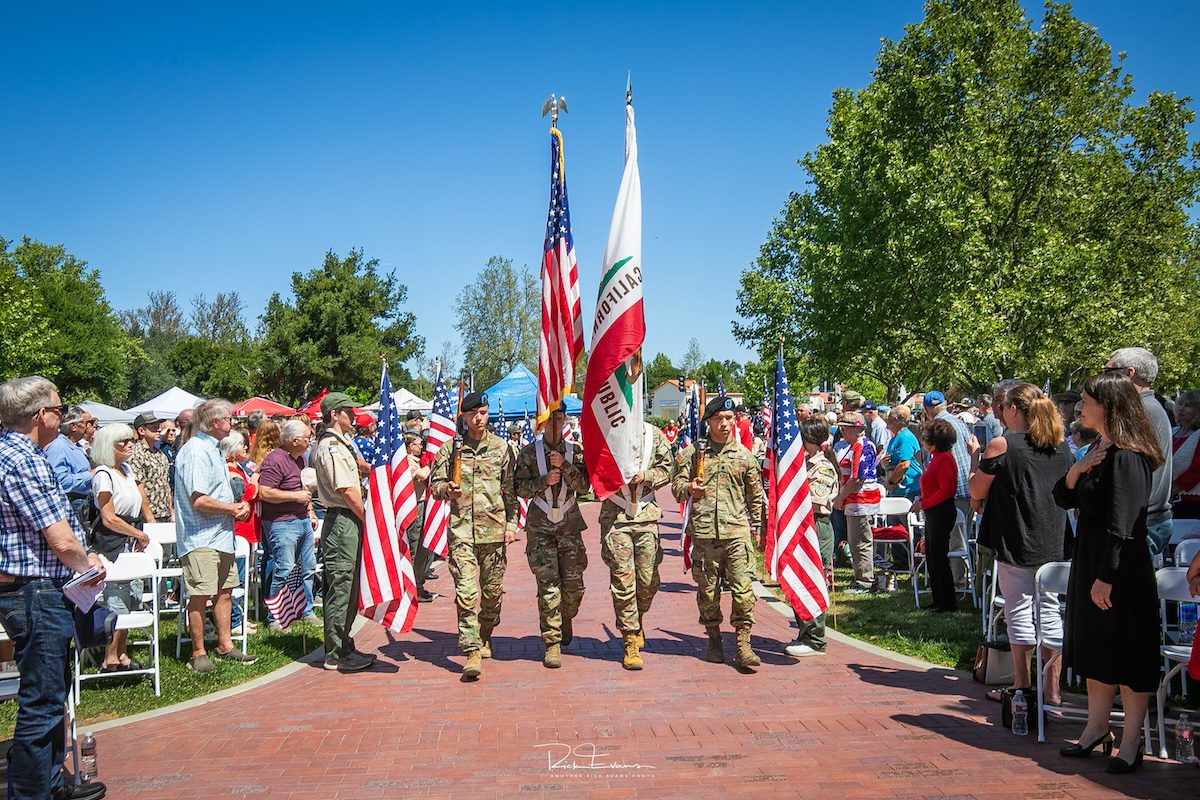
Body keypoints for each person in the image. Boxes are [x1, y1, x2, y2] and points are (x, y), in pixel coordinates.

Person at [0, 376, 108, 800]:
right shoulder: (21, 459)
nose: (63, 417)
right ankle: (32, 792)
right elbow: (60, 539)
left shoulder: (23, 453)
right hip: (36, 590)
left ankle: (49, 781)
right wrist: (89, 565)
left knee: (49, 692)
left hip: (34, 588)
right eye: (59, 410)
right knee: (42, 700)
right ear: (40, 415)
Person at [1052, 372, 1164, 773]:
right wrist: (1078, 469)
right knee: (1095, 645)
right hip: (1091, 558)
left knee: (1127, 650)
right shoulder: (1098, 447)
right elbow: (1062, 496)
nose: (1079, 408)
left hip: (1119, 567)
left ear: (1110, 406)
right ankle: (1096, 727)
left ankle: (1131, 741)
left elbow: (1125, 522)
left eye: (1086, 401)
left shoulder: (1130, 455)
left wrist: (1108, 575)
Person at [969, 382, 1072, 706]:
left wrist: (976, 457)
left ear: (1013, 410)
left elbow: (976, 490)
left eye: (1004, 407)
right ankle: (1052, 689)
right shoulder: (1060, 446)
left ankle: (1022, 684)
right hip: (1053, 536)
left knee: (1019, 609)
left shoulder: (1003, 444)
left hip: (1017, 535)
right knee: (1050, 609)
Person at [671, 396, 765, 668]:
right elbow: (675, 487)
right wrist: (689, 488)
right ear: (708, 422)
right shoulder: (694, 454)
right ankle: (713, 638)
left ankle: (743, 643)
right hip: (704, 534)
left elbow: (755, 496)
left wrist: (757, 528)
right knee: (708, 593)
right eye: (718, 419)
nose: (724, 424)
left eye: (728, 418)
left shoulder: (745, 457)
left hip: (736, 533)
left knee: (744, 591)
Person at [429, 391, 518, 679]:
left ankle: (485, 630)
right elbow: (435, 484)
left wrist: (512, 524)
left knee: (492, 595)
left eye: (483, 412)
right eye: (472, 414)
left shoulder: (502, 449)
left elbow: (511, 491)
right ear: (464, 417)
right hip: (462, 532)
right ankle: (471, 650)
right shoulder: (450, 449)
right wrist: (447, 490)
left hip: (493, 532)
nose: (479, 418)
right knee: (466, 594)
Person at [173, 398, 257, 673]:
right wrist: (232, 508)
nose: (233, 423)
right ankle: (198, 652)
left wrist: (238, 506)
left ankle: (225, 643)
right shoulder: (195, 451)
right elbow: (198, 499)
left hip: (221, 535)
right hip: (200, 537)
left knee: (225, 592)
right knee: (200, 594)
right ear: (214, 424)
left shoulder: (214, 450)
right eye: (228, 419)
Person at [514, 406, 589, 669]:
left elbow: (585, 486)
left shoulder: (575, 451)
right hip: (540, 527)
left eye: (560, 418)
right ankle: (552, 642)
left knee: (574, 588)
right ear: (542, 422)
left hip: (569, 526)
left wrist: (565, 466)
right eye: (551, 419)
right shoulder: (528, 453)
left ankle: (566, 616)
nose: (556, 423)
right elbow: (518, 488)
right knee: (548, 588)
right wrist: (542, 481)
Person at [597, 419, 673, 670]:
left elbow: (667, 469)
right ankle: (629, 641)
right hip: (616, 517)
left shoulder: (653, 435)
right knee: (623, 581)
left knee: (648, 581)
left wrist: (646, 476)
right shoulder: (607, 433)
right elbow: (594, 468)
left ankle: (637, 618)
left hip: (646, 516)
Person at [312, 393, 376, 672]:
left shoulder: (342, 444)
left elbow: (358, 472)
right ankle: (336, 652)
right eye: (349, 412)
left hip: (349, 519)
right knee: (341, 584)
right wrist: (369, 518)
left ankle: (344, 644)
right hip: (342, 520)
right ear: (335, 414)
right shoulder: (331, 448)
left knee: (349, 587)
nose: (354, 417)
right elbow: (347, 490)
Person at [87, 422, 155, 672]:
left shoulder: (126, 469)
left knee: (133, 595)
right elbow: (108, 517)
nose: (129, 445)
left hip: (130, 538)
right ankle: (110, 657)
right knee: (116, 599)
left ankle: (122, 654)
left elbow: (139, 500)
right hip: (112, 542)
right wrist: (138, 533)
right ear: (109, 446)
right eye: (122, 442)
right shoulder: (103, 475)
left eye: (130, 441)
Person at [1104, 347, 1173, 558]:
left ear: (1129, 373)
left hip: (1141, 525)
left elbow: (1130, 471)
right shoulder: (1144, 408)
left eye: (1108, 371)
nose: (1103, 379)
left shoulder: (1143, 411)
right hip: (1140, 522)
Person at [258, 418, 320, 627]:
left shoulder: (301, 459)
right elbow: (264, 492)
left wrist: (310, 510)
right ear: (294, 440)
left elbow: (304, 490)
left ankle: (306, 609)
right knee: (284, 568)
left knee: (308, 568)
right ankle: (275, 616)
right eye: (306, 438)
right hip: (281, 523)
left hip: (302, 520)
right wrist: (295, 497)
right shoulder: (274, 460)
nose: (310, 441)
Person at [784, 418, 838, 657]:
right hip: (804, 525)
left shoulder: (822, 467)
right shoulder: (806, 463)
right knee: (798, 577)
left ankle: (816, 639)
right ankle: (805, 632)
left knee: (811, 578)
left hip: (817, 526)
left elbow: (816, 500)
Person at [923, 391, 978, 589]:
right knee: (959, 537)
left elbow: (942, 463)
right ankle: (957, 578)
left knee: (955, 540)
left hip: (952, 492)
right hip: (964, 486)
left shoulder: (939, 427)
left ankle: (958, 581)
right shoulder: (959, 422)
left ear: (927, 410)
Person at [833, 412, 883, 594]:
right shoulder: (856, 446)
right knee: (856, 541)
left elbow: (856, 478)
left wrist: (841, 498)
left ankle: (865, 581)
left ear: (856, 428)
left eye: (845, 428)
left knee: (860, 541)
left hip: (860, 500)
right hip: (855, 501)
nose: (842, 432)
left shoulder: (860, 446)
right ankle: (862, 578)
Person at [912, 420, 958, 611]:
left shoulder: (945, 459)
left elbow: (946, 490)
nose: (923, 441)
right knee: (931, 556)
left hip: (941, 511)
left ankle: (947, 602)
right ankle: (938, 598)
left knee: (939, 558)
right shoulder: (935, 458)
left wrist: (923, 504)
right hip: (933, 511)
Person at [221, 431, 259, 636]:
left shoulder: (238, 468)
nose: (246, 448)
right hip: (237, 529)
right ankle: (234, 621)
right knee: (236, 577)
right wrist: (255, 481)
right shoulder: (230, 471)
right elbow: (245, 496)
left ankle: (239, 617)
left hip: (246, 529)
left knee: (243, 576)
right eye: (241, 445)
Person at [44, 405, 94, 526]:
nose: (89, 427)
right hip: (72, 505)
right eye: (86, 423)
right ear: (73, 426)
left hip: (83, 504)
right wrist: (89, 475)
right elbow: (60, 482)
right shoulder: (58, 448)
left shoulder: (76, 446)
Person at [404, 433, 434, 602]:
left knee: (424, 546)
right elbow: (422, 475)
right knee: (415, 546)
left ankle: (418, 583)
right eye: (418, 444)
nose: (421, 447)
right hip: (414, 505)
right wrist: (431, 460)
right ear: (410, 446)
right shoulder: (407, 460)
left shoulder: (418, 460)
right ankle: (411, 586)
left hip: (423, 503)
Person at [128, 412, 173, 524]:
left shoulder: (160, 454)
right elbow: (138, 487)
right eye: (153, 428)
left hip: (165, 514)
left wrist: (171, 510)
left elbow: (166, 484)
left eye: (158, 427)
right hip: (147, 517)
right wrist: (149, 517)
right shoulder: (136, 454)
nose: (158, 430)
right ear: (142, 431)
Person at [1170, 390, 1200, 519]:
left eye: (1188, 406)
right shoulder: (1173, 431)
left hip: (1191, 500)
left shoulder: (1198, 434)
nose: (1181, 409)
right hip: (1168, 497)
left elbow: (1197, 469)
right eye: (1180, 404)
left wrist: (1176, 486)